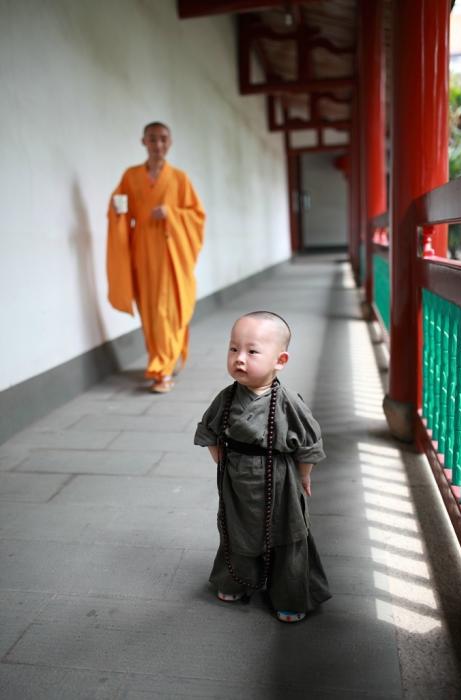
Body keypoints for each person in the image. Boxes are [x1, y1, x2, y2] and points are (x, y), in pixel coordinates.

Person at [194, 311, 331, 622]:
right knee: (236, 529)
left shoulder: (287, 402)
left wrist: (303, 477)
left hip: (280, 479)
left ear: (280, 360)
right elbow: (209, 431)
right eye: (233, 349)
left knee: (286, 535)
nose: (239, 359)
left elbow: (309, 444)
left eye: (252, 351)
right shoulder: (226, 398)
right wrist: (221, 460)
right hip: (237, 478)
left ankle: (290, 595)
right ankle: (236, 580)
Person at [107, 122, 205, 393]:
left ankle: (162, 370)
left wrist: (172, 214)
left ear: (170, 143)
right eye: (153, 139)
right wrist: (117, 212)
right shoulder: (131, 176)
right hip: (142, 250)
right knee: (150, 310)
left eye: (163, 139)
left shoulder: (179, 178)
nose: (158, 145)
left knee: (167, 310)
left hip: (169, 251)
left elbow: (197, 215)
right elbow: (119, 208)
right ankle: (160, 358)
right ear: (143, 142)